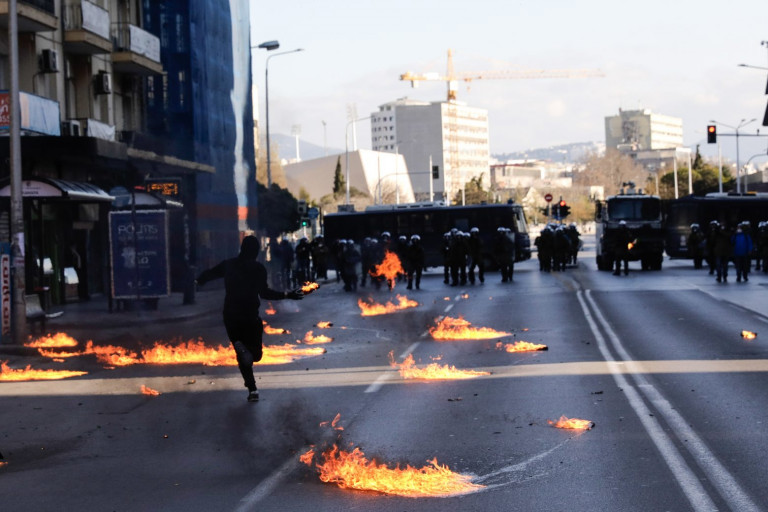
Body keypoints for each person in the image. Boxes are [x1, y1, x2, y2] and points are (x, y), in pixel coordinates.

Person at [196, 236, 303, 402]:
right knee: (256, 355)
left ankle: (252, 390)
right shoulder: (258, 269)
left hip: (230, 315)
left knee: (241, 355)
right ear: (256, 251)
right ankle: (248, 362)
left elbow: (209, 274)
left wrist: (197, 280)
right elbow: (265, 293)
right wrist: (288, 294)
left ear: (241, 248)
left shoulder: (229, 264)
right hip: (249, 315)